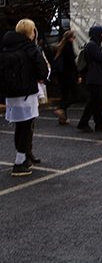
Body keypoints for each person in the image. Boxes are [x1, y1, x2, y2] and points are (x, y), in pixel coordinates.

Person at [2, 19, 49, 177]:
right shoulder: (30, 48)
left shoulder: (7, 46)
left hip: (11, 94)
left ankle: (24, 156)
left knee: (20, 126)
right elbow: (42, 71)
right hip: (26, 94)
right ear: (32, 31)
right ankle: (19, 161)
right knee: (26, 127)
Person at [77, 25, 102, 132]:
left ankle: (99, 123)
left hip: (97, 77)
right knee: (93, 102)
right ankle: (84, 122)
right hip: (94, 78)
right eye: (101, 33)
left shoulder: (94, 45)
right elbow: (100, 58)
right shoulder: (92, 46)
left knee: (98, 102)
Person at [52, 30, 78, 125]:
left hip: (61, 76)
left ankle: (63, 118)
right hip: (69, 75)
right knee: (74, 95)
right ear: (70, 38)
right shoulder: (68, 48)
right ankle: (61, 108)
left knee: (64, 95)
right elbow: (72, 64)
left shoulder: (60, 47)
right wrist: (77, 75)